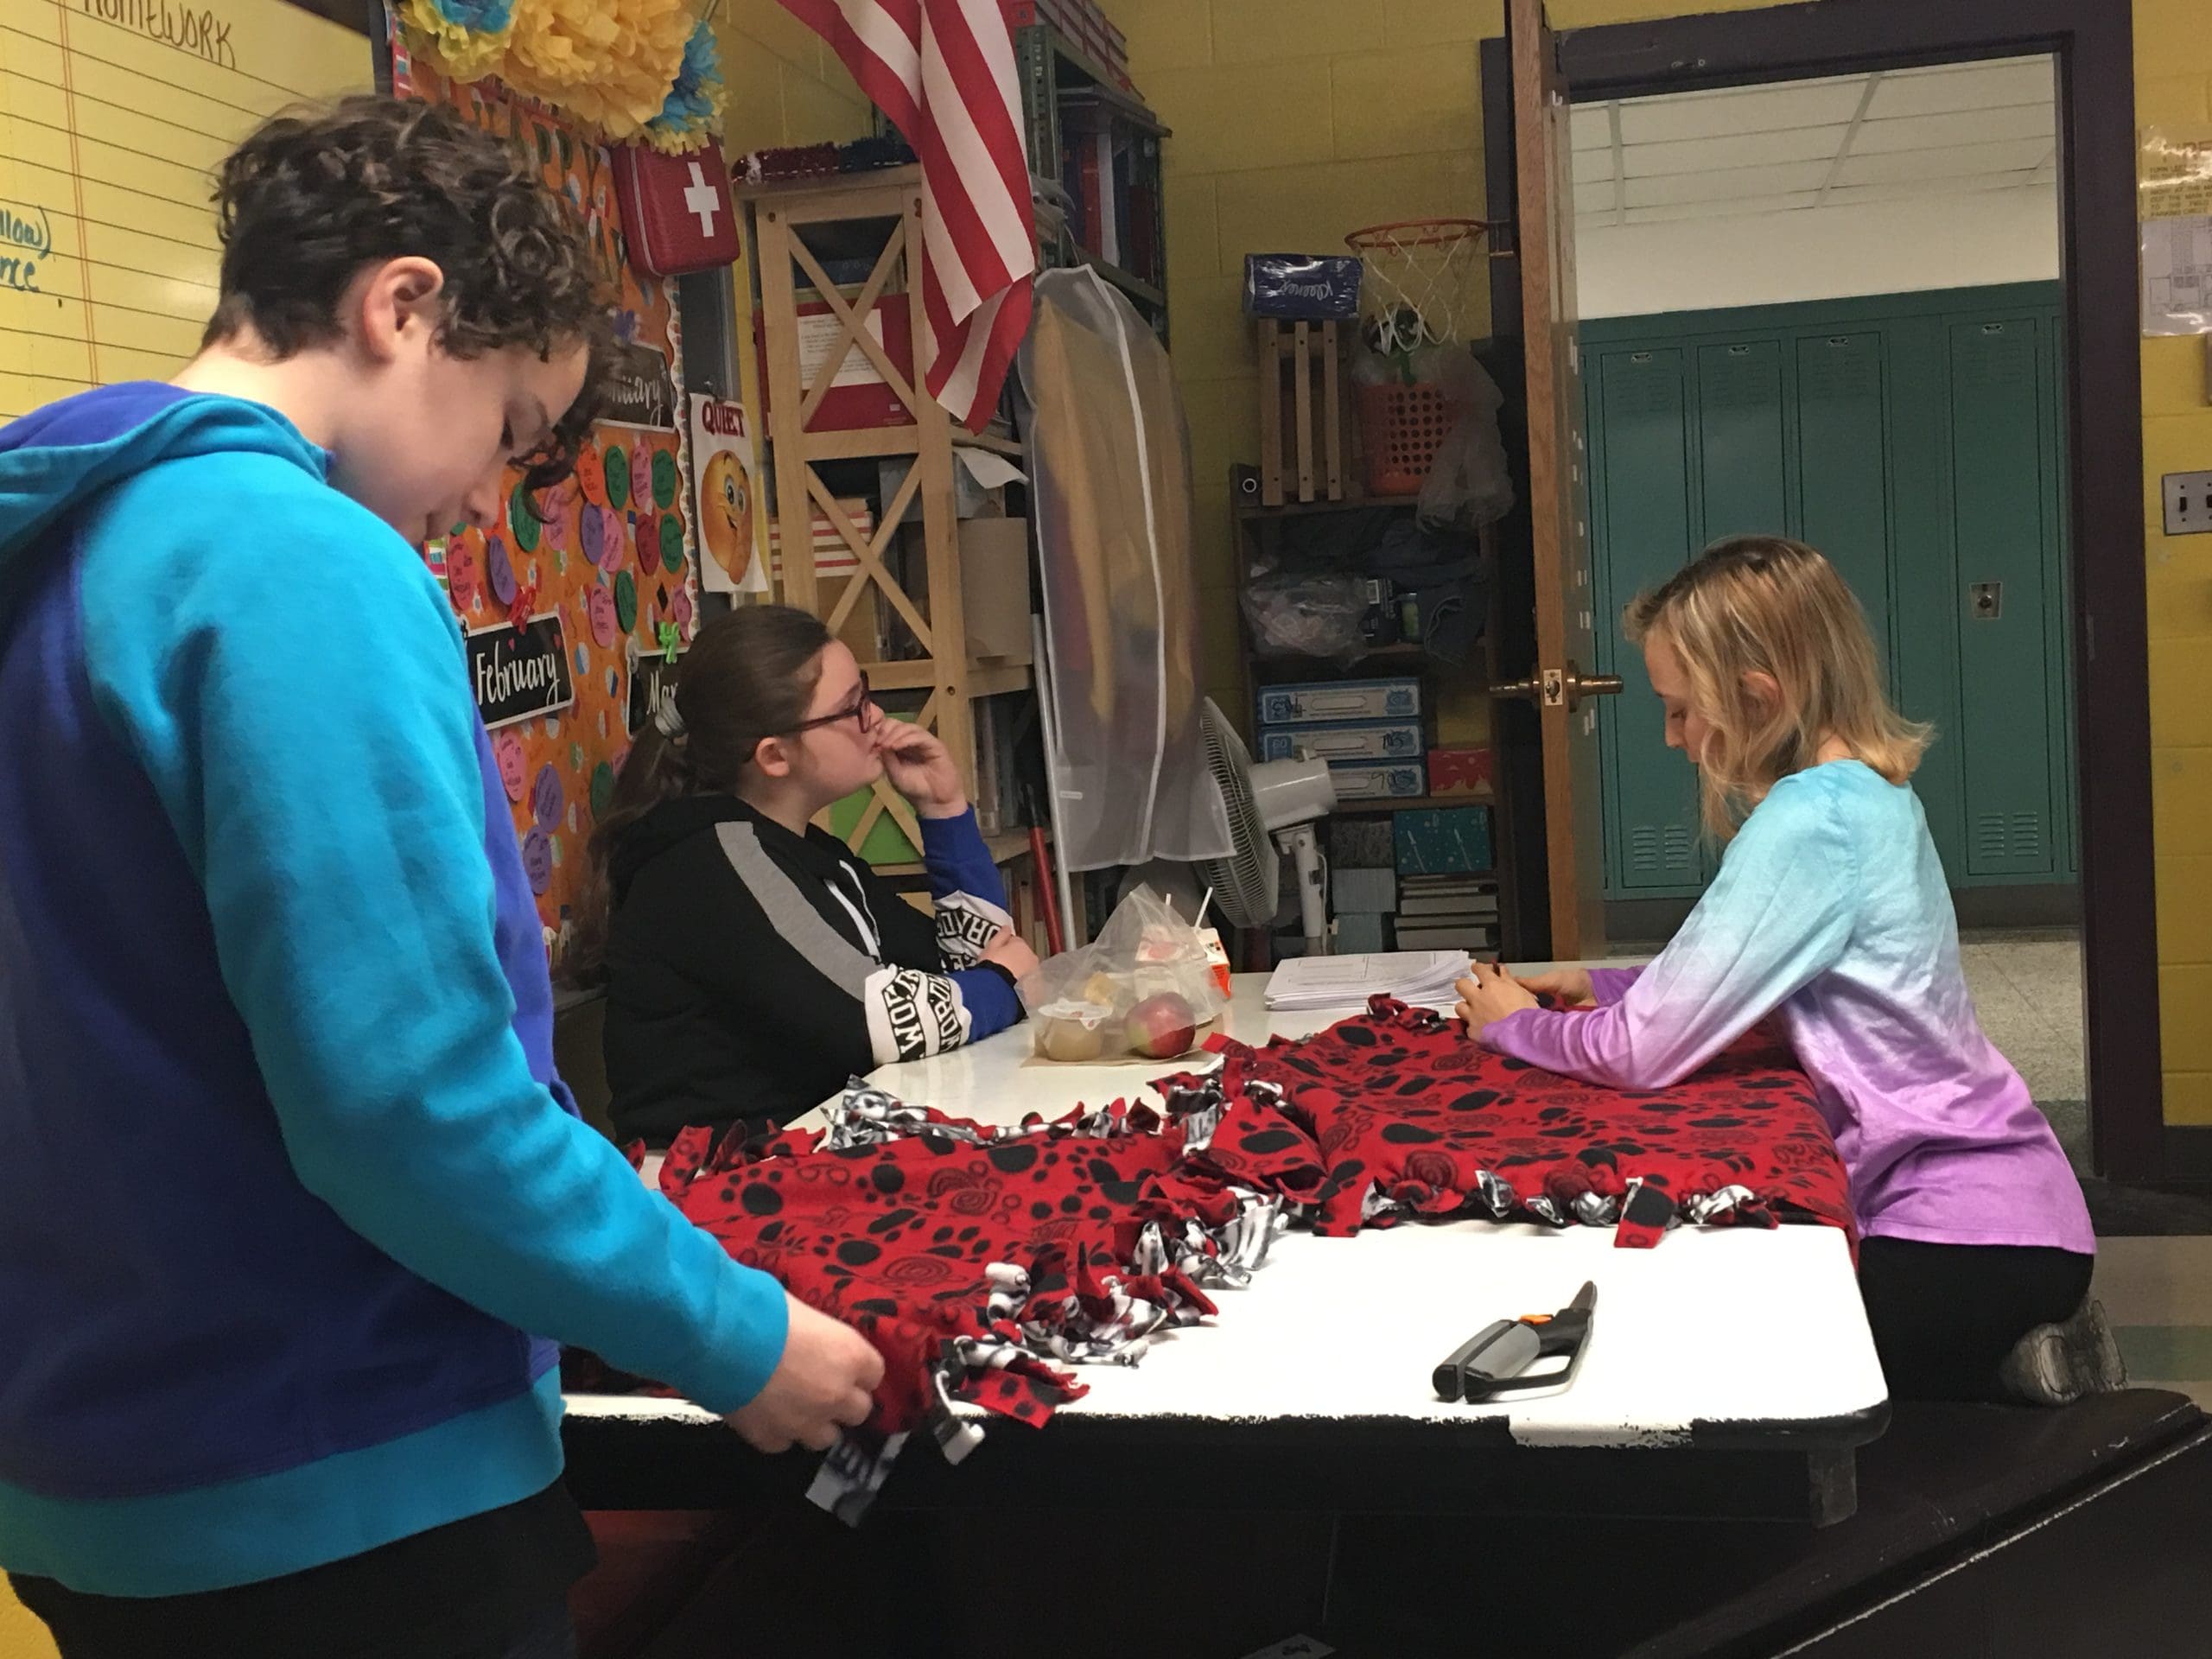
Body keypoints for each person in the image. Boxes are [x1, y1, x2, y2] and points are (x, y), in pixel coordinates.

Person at [0, 97, 881, 1659]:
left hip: (96, 1473)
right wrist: (735, 1334)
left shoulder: (60, 548)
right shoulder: (298, 564)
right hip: (341, 1482)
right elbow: (407, 1106)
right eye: (510, 431)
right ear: (401, 308)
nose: (483, 498)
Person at [1452, 535, 2119, 1406]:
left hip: (1963, 1238)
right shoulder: (1867, 792)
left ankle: (1981, 1378)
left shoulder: (1811, 821)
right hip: (2017, 1217)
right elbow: (1753, 977)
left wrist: (1513, 1023)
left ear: (1758, 698)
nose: (1672, 737)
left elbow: (1640, 1055)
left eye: (1681, 710)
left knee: (1708, 1375)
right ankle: (1994, 1366)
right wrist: (1604, 987)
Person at [581, 604, 1039, 1146]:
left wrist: (944, 810)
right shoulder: (715, 864)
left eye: (865, 693)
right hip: (716, 1185)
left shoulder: (813, 853)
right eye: (851, 708)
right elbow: (893, 1023)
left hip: (809, 1149)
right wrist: (1003, 981)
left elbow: (964, 966)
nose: (876, 717)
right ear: (775, 756)